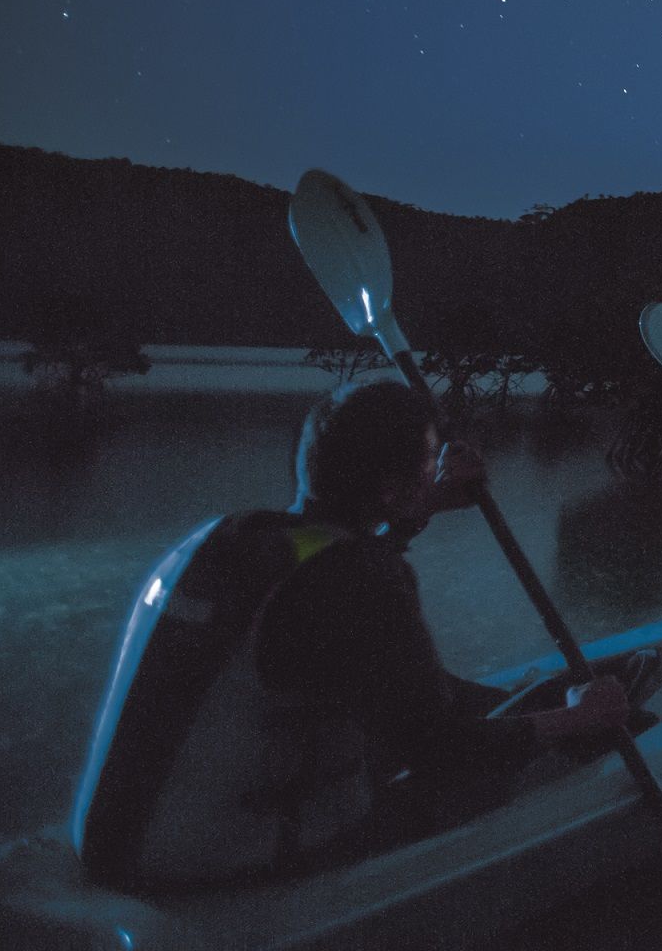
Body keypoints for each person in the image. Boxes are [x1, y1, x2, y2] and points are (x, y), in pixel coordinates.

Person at [72, 380, 629, 888]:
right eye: (430, 459)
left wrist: (417, 507)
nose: (437, 469)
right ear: (390, 487)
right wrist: (579, 719)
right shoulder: (360, 579)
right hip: (197, 864)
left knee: (380, 737)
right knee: (510, 775)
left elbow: (339, 590)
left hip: (110, 848)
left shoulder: (235, 535)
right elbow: (443, 751)